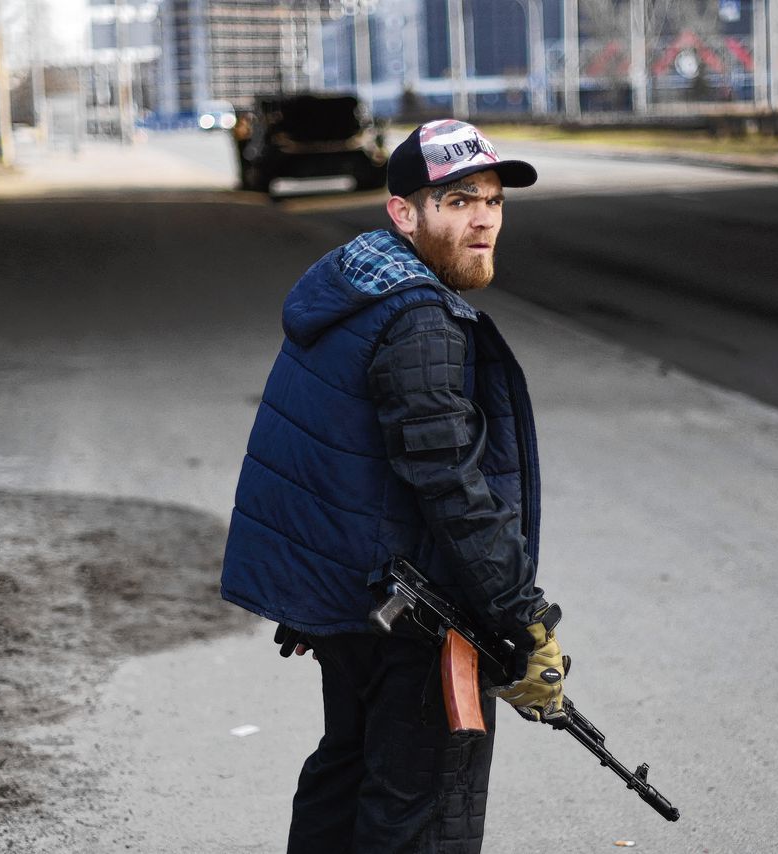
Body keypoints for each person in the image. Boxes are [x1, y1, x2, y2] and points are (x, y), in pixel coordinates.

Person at [219, 119, 567, 854]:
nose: (483, 219)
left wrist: (316, 602)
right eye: (458, 199)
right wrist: (525, 620)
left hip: (356, 603)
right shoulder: (419, 323)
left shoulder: (358, 290)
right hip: (410, 614)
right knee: (419, 808)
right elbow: (450, 483)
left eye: (494, 201)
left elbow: (328, 455)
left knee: (346, 776)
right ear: (404, 213)